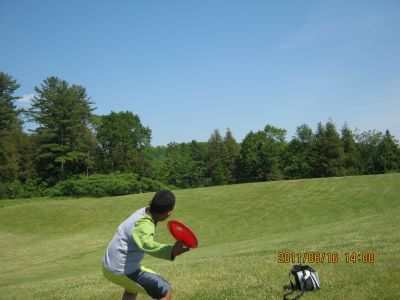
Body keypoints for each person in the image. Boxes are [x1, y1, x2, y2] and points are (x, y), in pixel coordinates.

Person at [102, 190, 189, 300]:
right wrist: (171, 251)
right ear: (169, 213)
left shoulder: (142, 212)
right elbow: (146, 244)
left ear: (150, 201)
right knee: (165, 290)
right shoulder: (145, 224)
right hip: (121, 270)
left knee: (131, 290)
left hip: (108, 266)